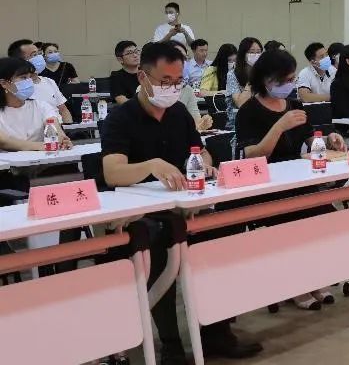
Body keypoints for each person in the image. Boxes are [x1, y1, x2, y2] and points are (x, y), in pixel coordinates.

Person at [100, 42, 261, 363]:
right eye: (165, 81)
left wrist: (204, 163)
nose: (172, 88)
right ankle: (171, 346)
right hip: (140, 216)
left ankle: (215, 332)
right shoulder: (121, 117)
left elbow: (200, 152)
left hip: (185, 206)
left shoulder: (179, 114)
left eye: (178, 82)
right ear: (143, 77)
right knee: (161, 250)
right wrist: (150, 166)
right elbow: (112, 172)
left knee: (221, 237)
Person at [235, 49, 346, 310]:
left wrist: (328, 139)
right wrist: (279, 127)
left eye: (292, 79)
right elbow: (253, 155)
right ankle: (295, 285)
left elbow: (309, 139)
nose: (289, 84)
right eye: (283, 80)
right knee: (293, 224)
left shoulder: (294, 105)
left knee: (325, 217)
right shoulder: (249, 111)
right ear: (265, 79)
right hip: (267, 187)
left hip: (298, 181)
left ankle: (314, 278)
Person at [0, 56, 72, 154]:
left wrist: (62, 140)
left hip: (42, 160)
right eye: (23, 77)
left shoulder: (41, 106)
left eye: (30, 77)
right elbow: (4, 142)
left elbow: (55, 128)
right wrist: (43, 146)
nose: (29, 81)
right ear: (4, 83)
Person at [7, 40, 73, 123]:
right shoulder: (19, 87)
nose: (40, 57)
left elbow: (63, 110)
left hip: (58, 127)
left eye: (39, 53)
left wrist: (68, 128)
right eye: (34, 55)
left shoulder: (49, 81)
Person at [169, 42, 213, 132]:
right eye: (177, 57)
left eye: (185, 58)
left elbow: (196, 122)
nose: (182, 62)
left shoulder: (187, 90)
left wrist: (202, 124)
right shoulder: (149, 89)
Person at [225, 37, 263, 131]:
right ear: (243, 54)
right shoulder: (232, 75)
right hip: (238, 123)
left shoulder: (265, 74)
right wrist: (252, 79)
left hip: (261, 120)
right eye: (251, 52)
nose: (256, 55)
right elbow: (240, 103)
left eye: (258, 52)